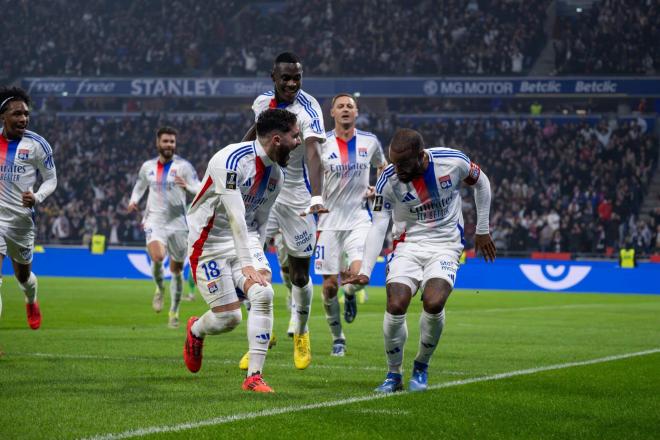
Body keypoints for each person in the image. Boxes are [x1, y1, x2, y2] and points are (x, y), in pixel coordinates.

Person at [343, 128, 496, 392]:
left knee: (434, 302)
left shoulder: (452, 162)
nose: (396, 169)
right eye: (392, 162)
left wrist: (482, 229)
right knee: (396, 303)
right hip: (408, 246)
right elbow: (379, 225)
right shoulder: (387, 180)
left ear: (421, 156)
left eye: (403, 163)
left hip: (445, 245)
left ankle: (421, 366)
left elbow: (482, 182)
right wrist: (366, 269)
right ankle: (394, 374)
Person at [183, 108, 300, 393]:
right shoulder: (230, 160)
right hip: (208, 243)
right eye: (294, 136)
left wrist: (254, 258)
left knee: (263, 293)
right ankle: (196, 330)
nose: (298, 141)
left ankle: (254, 376)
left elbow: (258, 222)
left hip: (244, 239)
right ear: (276, 139)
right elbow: (235, 215)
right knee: (229, 318)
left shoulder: (277, 176)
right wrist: (247, 265)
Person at [242, 52, 327, 370]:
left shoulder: (309, 108)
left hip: (296, 197)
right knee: (252, 269)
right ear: (273, 78)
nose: (292, 83)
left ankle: (302, 332)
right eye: (286, 78)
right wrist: (233, 163)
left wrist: (317, 196)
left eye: (297, 78)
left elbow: (314, 152)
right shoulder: (262, 103)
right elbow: (252, 137)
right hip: (262, 192)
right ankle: (258, 340)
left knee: (300, 273)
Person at [314, 93, 387, 356]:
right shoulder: (321, 143)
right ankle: (338, 338)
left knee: (359, 277)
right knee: (330, 287)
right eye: (340, 106)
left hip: (359, 219)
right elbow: (309, 176)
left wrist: (376, 188)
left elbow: (384, 167)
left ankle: (352, 293)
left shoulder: (370, 142)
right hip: (328, 222)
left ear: (356, 113)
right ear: (332, 112)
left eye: (350, 106)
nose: (345, 109)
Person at [128, 127, 200, 328]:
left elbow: (200, 187)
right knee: (158, 257)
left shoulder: (184, 167)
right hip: (154, 220)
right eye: (166, 141)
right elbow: (140, 186)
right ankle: (160, 288)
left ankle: (174, 312)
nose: (169, 145)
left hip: (178, 223)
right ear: (158, 143)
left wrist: (188, 187)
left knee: (176, 270)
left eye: (172, 142)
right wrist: (134, 200)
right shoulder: (147, 167)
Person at [0, 87, 57, 328]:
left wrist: (37, 197)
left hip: (21, 222)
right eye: (16, 113)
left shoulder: (37, 144)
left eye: (26, 114)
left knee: (23, 277)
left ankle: (31, 298)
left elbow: (51, 179)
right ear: (3, 116)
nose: (23, 118)